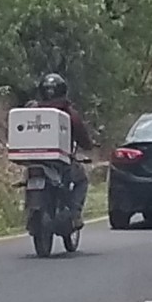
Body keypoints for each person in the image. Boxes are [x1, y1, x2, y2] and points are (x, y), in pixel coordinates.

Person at [27, 73, 93, 229]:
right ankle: (75, 214)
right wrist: (89, 145)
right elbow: (83, 138)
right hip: (61, 162)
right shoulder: (69, 114)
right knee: (82, 180)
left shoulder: (31, 110)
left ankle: (30, 213)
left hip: (34, 160)